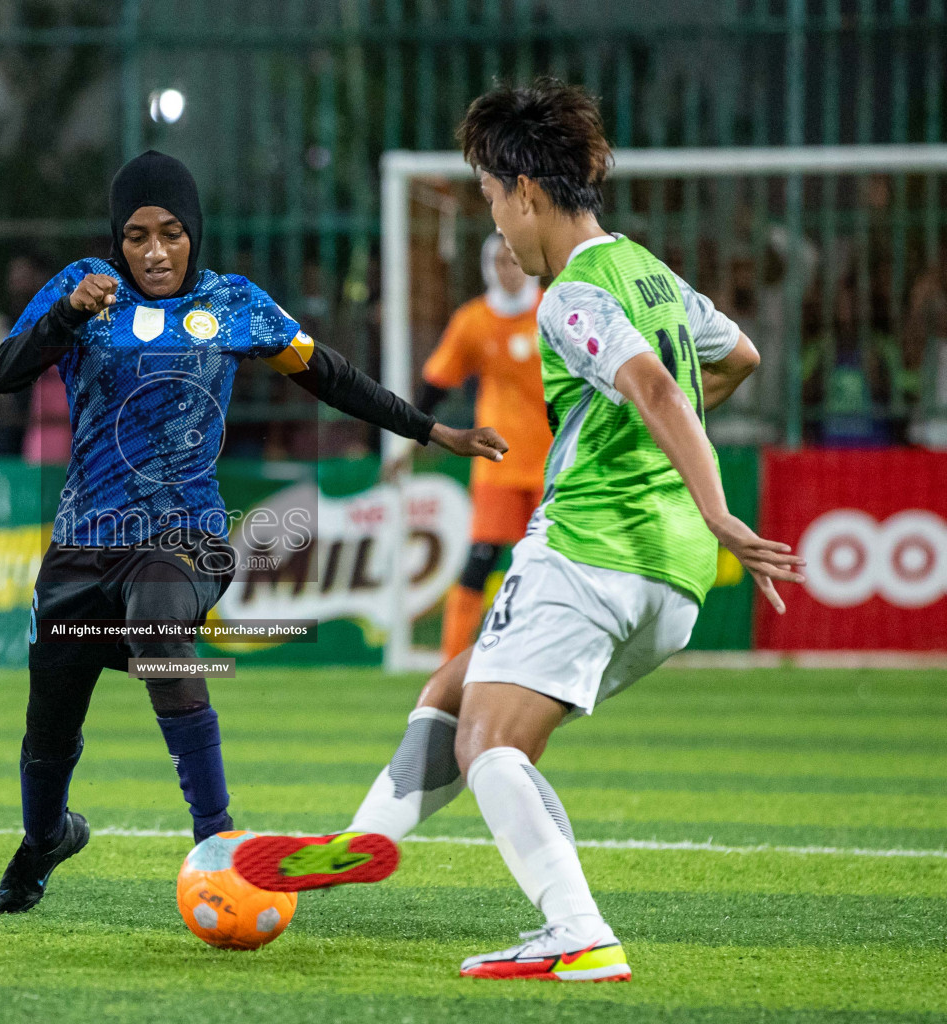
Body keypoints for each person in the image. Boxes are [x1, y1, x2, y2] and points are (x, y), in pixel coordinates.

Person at [231, 81, 804, 982]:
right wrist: (667, 473)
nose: (497, 228)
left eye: (495, 203)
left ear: (527, 192)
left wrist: (719, 505)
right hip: (672, 582)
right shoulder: (649, 270)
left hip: (590, 550)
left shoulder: (570, 295)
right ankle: (362, 841)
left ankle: (576, 930)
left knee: (489, 745)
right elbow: (734, 360)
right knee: (455, 686)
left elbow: (656, 388)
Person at [0, 150, 507, 915]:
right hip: (83, 544)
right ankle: (46, 837)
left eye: (170, 233)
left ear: (194, 232)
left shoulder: (236, 305)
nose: (153, 251)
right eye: (135, 236)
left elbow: (326, 372)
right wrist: (64, 316)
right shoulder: (80, 289)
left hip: (186, 535)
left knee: (161, 624)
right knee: (50, 722)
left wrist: (428, 429)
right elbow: (2, 374)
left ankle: (220, 843)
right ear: (115, 239)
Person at [416, 233, 550, 661]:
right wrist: (412, 435)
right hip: (497, 462)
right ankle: (451, 659)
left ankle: (541, 654)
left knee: (552, 562)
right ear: (487, 267)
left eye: (514, 260)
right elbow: (435, 384)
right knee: (481, 560)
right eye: (499, 262)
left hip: (553, 463)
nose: (507, 270)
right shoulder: (474, 320)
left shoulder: (554, 311)